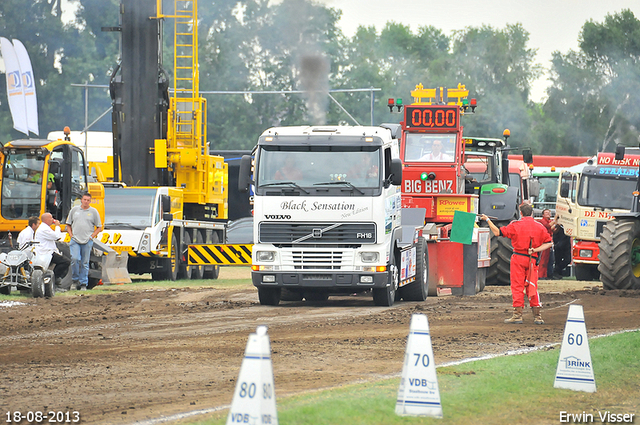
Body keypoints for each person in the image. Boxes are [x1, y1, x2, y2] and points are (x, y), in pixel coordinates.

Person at [481, 203, 553, 325]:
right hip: (532, 259)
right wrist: (535, 250)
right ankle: (537, 316)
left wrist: (487, 220)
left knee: (517, 286)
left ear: (521, 213)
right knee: (532, 286)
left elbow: (497, 232)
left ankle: (517, 315)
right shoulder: (540, 227)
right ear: (532, 213)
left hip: (518, 258)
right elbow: (549, 243)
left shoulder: (515, 225)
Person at [66, 192, 103, 290]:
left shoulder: (94, 212)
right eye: (84, 200)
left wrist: (92, 236)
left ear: (90, 201)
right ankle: (74, 280)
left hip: (87, 240)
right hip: (75, 240)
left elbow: (99, 226)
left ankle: (83, 283)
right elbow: (68, 224)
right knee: (74, 259)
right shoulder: (74, 210)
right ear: (81, 200)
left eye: (88, 200)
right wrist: (71, 234)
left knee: (85, 262)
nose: (86, 202)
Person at [34, 212, 71, 284]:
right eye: (51, 218)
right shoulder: (44, 229)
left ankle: (54, 278)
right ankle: (55, 277)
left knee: (64, 261)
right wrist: (57, 226)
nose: (53, 219)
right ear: (46, 220)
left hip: (48, 251)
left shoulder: (45, 228)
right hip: (45, 252)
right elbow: (56, 236)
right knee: (65, 262)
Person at [538, 209, 555, 279]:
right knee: (543, 259)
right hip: (544, 242)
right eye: (546, 213)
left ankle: (546, 274)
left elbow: (552, 229)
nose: (548, 214)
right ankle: (541, 275)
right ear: (543, 215)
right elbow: (548, 226)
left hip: (549, 242)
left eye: (549, 212)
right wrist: (555, 220)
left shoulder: (550, 221)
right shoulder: (542, 221)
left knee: (549, 259)